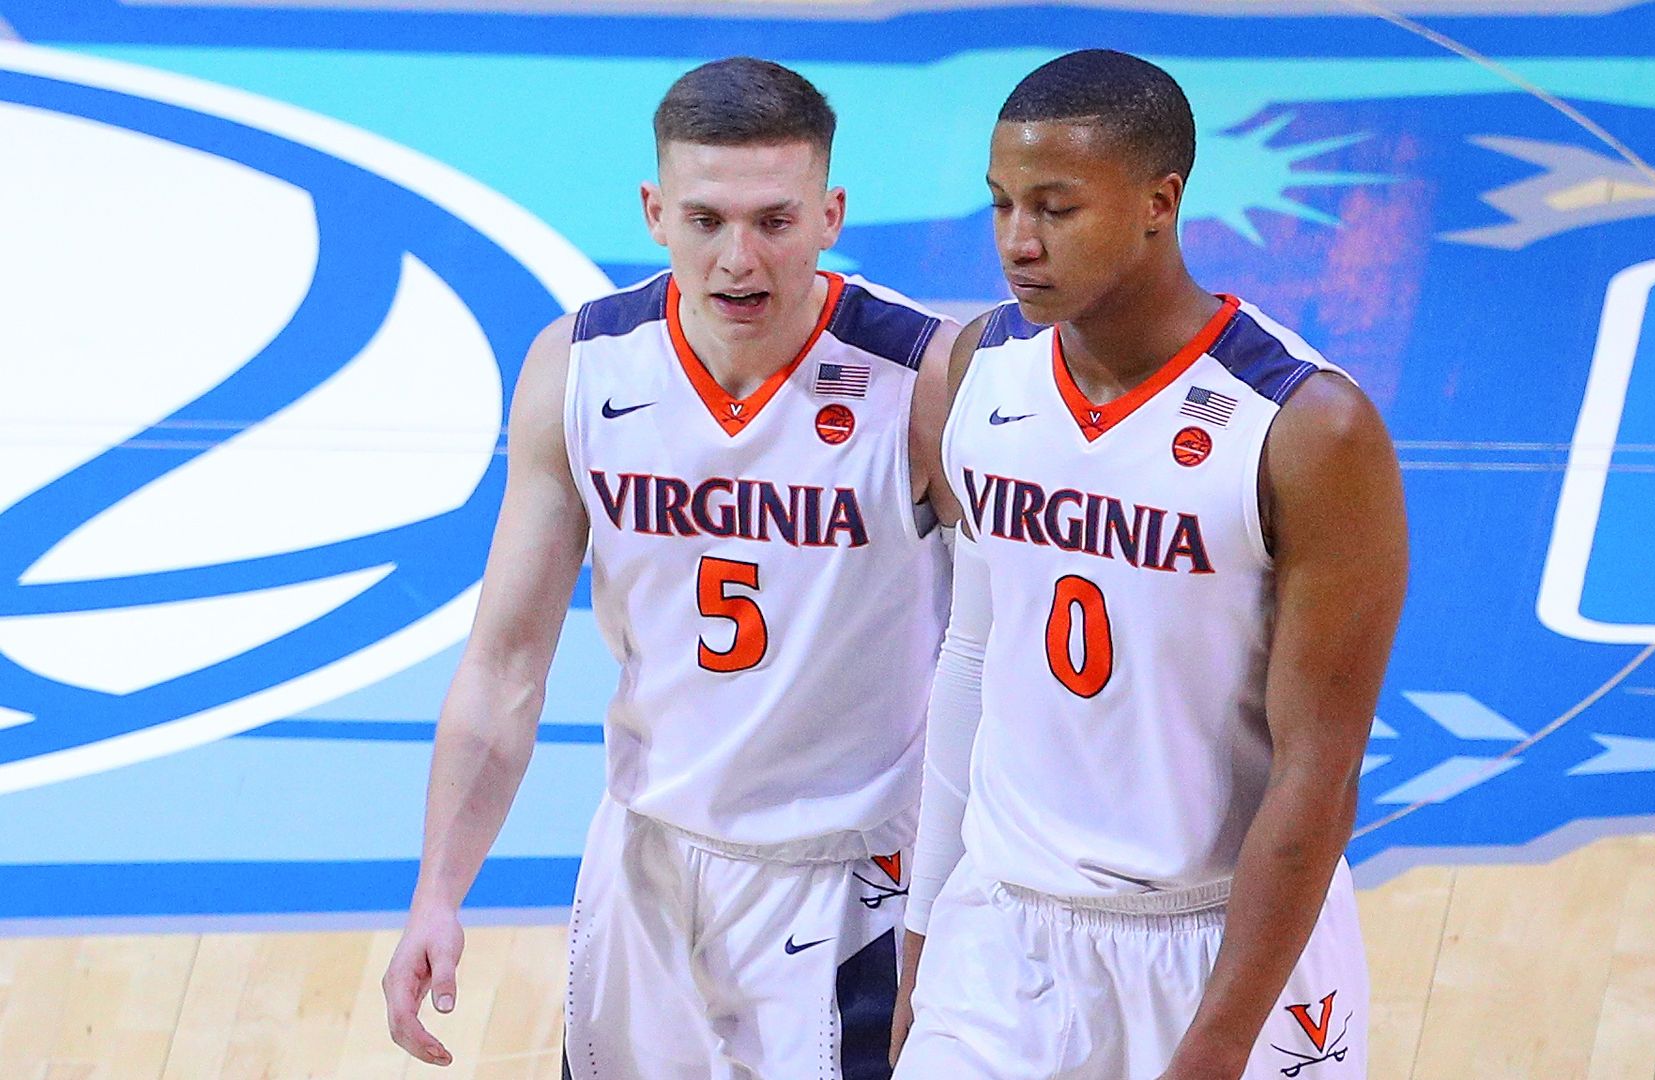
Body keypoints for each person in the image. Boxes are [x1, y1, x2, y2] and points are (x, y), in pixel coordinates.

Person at [381, 57, 957, 1078]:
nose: (740, 259)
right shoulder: (582, 368)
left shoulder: (922, 382)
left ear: (831, 213)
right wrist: (438, 890)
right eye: (706, 221)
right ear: (654, 212)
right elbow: (505, 667)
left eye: (774, 221)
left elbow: (1003, 654)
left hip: (853, 876)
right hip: (646, 859)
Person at [892, 49, 1407, 1079]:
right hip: (1005, 934)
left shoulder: (1309, 428)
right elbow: (973, 656)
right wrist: (922, 943)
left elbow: (1320, 772)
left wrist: (1218, 1042)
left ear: (1158, 202)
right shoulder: (977, 371)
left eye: (1055, 208)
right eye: (1000, 206)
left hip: (1219, 941)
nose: (1017, 244)